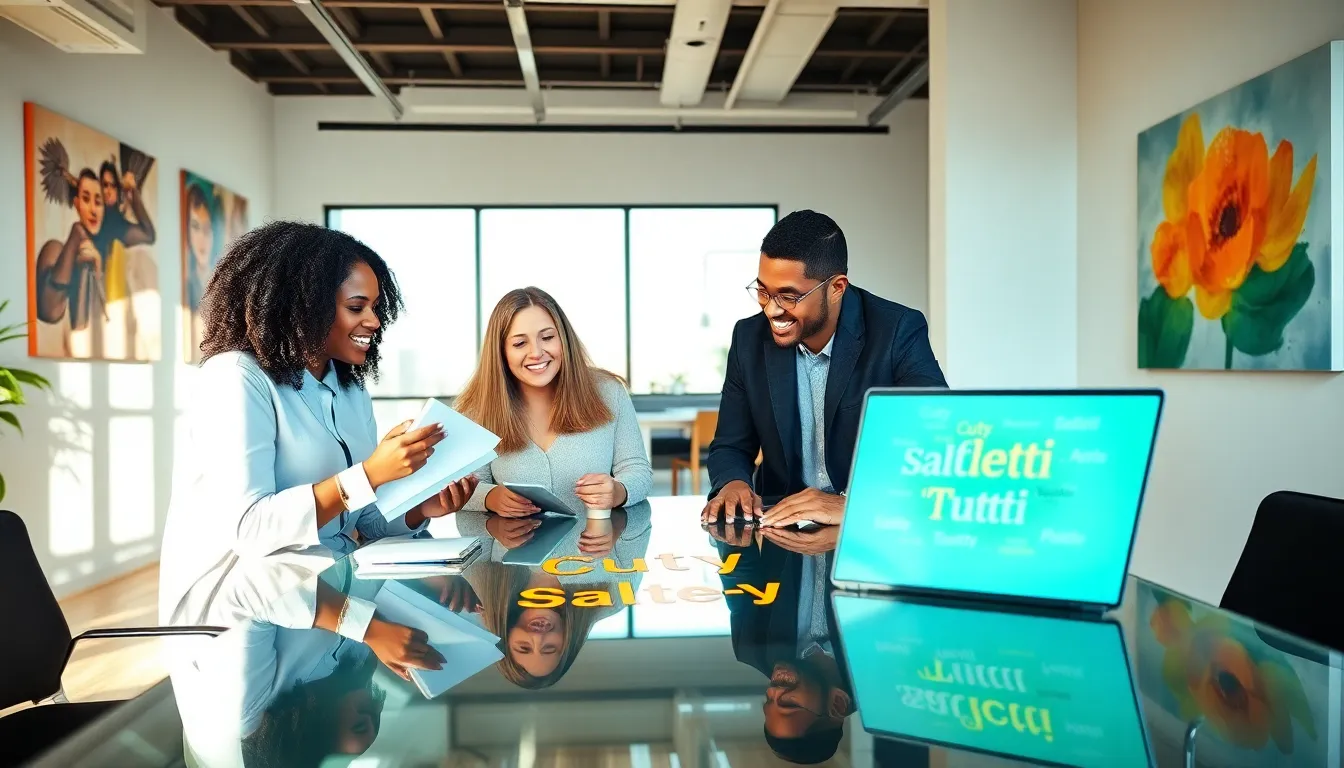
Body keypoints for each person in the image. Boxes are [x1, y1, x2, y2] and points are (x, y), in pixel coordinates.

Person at [159, 221, 477, 628]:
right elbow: (249, 528)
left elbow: (364, 523)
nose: (374, 322)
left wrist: (421, 509)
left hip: (328, 600)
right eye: (357, 307)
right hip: (238, 614)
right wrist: (368, 473)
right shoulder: (237, 377)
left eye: (376, 308)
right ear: (306, 305)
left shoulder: (348, 388)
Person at [702, 210, 946, 528]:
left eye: (788, 296)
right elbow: (731, 444)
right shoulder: (748, 338)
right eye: (763, 291)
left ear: (836, 288)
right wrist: (733, 484)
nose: (772, 309)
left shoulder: (897, 330)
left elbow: (934, 443)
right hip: (779, 525)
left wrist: (853, 504)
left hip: (870, 526)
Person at [456, 287, 652, 516]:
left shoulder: (609, 392)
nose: (536, 353)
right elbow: (464, 489)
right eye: (520, 344)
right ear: (501, 352)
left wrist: (619, 491)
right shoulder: (476, 410)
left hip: (597, 548)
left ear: (563, 339)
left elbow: (638, 471)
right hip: (515, 549)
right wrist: (489, 497)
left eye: (547, 337)